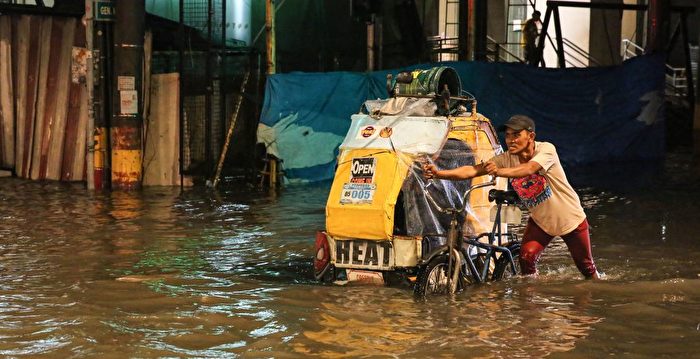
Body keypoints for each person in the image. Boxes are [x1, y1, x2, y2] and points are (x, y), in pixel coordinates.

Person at [423, 115, 600, 279]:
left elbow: (528, 169)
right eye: (507, 135)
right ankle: (531, 302)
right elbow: (473, 170)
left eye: (516, 135)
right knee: (526, 258)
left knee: (586, 268)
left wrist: (498, 172)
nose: (511, 140)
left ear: (531, 136)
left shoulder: (546, 150)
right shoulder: (506, 158)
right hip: (541, 221)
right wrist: (439, 173)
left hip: (570, 218)